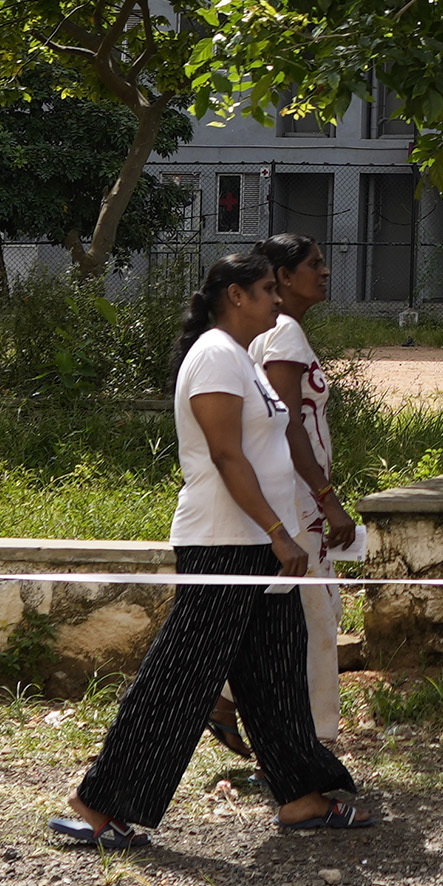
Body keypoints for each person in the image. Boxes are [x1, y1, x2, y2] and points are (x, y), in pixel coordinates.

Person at [57, 252, 366, 850]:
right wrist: (279, 532)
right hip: (225, 544)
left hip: (260, 546)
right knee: (182, 675)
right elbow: (227, 457)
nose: (279, 301)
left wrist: (280, 537)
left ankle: (302, 797)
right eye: (267, 290)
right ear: (233, 295)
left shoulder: (244, 360)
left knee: (276, 666)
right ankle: (100, 804)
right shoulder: (216, 356)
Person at [250, 229, 362, 751]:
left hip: (288, 496)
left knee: (294, 609)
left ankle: (232, 701)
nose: (325, 271)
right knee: (318, 614)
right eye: (314, 263)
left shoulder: (272, 332)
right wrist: (327, 499)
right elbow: (288, 424)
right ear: (284, 278)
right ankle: (315, 741)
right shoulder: (286, 334)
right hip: (297, 500)